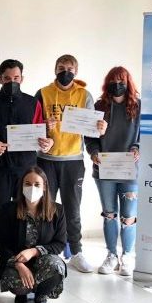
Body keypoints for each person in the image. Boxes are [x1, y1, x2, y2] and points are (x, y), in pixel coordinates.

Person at [0, 59, 53, 275]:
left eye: (16, 78)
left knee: (28, 210)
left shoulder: (33, 103)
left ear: (22, 78)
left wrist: (46, 141)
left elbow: (41, 132)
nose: (12, 82)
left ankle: (24, 253)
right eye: (7, 78)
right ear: (0, 79)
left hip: (26, 168)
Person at [35, 54, 102, 273]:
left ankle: (76, 252)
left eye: (70, 69)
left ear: (76, 72)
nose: (66, 72)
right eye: (61, 68)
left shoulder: (84, 95)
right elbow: (32, 125)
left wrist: (99, 128)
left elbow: (92, 131)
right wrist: (44, 126)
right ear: (55, 69)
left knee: (72, 209)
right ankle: (45, 251)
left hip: (73, 160)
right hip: (45, 160)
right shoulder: (43, 93)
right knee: (45, 208)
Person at [0, 167, 67, 303]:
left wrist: (34, 251)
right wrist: (19, 265)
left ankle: (40, 298)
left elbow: (59, 243)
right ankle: (23, 294)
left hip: (43, 260)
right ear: (21, 186)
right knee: (17, 286)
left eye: (37, 184)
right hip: (16, 261)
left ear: (44, 186)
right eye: (27, 183)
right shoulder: (8, 209)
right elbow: (1, 243)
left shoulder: (57, 210)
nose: (32, 188)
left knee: (57, 267)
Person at [85, 66, 141, 276]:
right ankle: (111, 255)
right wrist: (94, 153)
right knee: (109, 214)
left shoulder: (138, 106)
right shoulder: (99, 106)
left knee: (129, 216)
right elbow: (89, 137)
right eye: (113, 81)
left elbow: (145, 134)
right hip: (104, 169)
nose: (117, 85)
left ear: (128, 83)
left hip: (129, 171)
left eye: (121, 81)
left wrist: (137, 148)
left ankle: (127, 255)